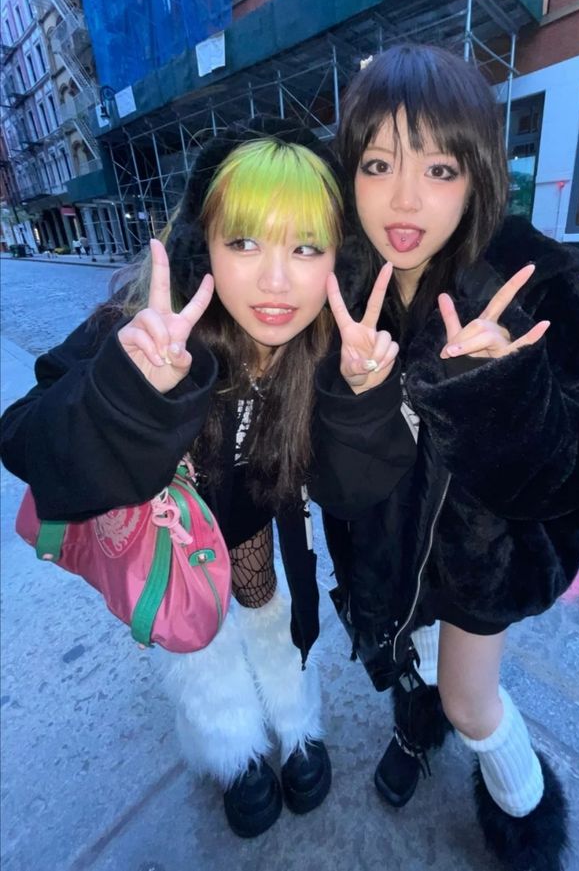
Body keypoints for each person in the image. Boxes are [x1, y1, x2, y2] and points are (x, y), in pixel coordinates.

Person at [310, 46, 579, 871]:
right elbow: (321, 460)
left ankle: (525, 811)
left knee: (471, 698)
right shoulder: (337, 286)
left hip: (483, 552)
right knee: (402, 662)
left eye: (439, 167)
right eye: (378, 164)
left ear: (478, 174)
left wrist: (505, 392)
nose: (404, 198)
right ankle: (416, 731)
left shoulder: (532, 287)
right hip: (386, 540)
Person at [0, 120, 343, 840]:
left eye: (305, 246)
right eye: (246, 240)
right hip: (170, 543)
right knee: (199, 637)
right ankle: (234, 752)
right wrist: (128, 392)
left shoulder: (326, 343)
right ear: (204, 242)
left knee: (264, 602)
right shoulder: (147, 325)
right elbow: (23, 437)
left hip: (249, 527)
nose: (277, 279)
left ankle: (294, 721)